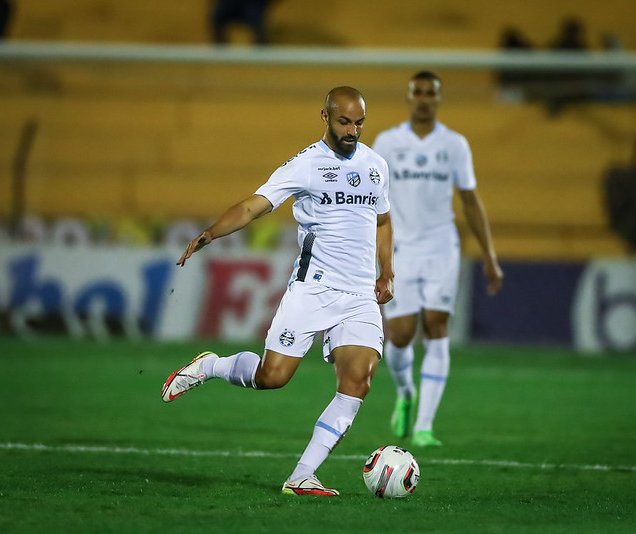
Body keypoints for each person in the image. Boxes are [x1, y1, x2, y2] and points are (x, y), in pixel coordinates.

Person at [161, 86, 393, 497]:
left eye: (359, 123)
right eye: (344, 121)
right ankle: (210, 366)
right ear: (325, 117)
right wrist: (211, 233)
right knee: (273, 377)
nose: (352, 130)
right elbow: (254, 205)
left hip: (359, 296)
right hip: (314, 290)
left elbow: (383, 220)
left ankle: (302, 475)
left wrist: (386, 272)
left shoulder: (376, 166)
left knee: (359, 378)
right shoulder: (306, 165)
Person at [372, 71, 503, 448]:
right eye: (418, 92)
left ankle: (425, 427)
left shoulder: (455, 145)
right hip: (400, 249)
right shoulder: (388, 142)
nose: (424, 99)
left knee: (435, 325)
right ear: (409, 97)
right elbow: (374, 200)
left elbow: (470, 202)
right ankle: (406, 393)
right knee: (399, 335)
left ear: (439, 99)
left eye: (431, 93)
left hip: (442, 247)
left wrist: (490, 257)